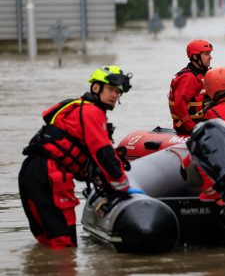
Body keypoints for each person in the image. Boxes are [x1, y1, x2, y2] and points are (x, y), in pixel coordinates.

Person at [19, 66, 142, 249]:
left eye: (118, 92)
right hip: (50, 175)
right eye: (110, 89)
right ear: (95, 88)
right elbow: (103, 153)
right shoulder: (92, 112)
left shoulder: (78, 108)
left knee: (48, 243)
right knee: (64, 244)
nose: (115, 95)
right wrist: (123, 185)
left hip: (31, 171)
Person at [168, 39, 213, 134]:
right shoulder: (189, 78)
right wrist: (192, 128)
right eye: (206, 54)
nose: (210, 57)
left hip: (203, 123)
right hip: (189, 127)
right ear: (196, 57)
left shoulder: (204, 73)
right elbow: (179, 105)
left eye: (210, 53)